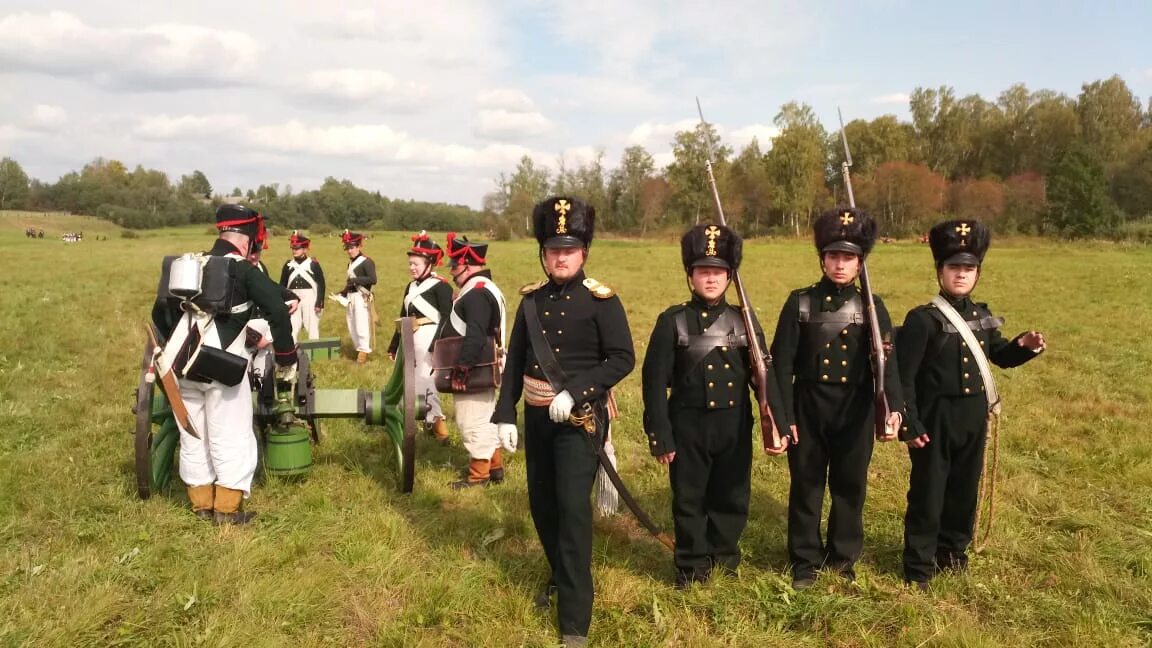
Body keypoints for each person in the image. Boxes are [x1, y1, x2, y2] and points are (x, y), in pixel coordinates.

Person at [491, 197, 634, 647]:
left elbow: (623, 358)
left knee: (572, 511)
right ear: (543, 253)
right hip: (537, 419)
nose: (560, 256)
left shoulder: (602, 302)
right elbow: (515, 360)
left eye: (569, 249)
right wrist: (503, 412)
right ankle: (560, 573)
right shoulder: (531, 301)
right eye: (553, 249)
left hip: (580, 421)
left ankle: (574, 617)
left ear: (583, 252)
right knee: (542, 504)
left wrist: (577, 389)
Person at [897, 220, 1046, 590]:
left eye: (968, 268)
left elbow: (1000, 356)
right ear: (940, 271)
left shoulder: (981, 315)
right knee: (929, 492)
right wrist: (909, 423)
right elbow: (904, 378)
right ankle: (918, 565)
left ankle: (952, 554)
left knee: (964, 490)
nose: (961, 275)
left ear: (977, 273)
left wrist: (1023, 348)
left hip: (972, 418)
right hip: (935, 419)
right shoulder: (922, 319)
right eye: (954, 267)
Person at [641, 223, 787, 588]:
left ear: (729, 277)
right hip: (687, 425)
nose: (710, 279)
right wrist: (660, 432)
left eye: (718, 272)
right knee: (689, 497)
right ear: (690, 276)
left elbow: (766, 377)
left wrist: (779, 422)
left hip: (734, 425)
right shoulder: (671, 321)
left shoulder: (745, 321)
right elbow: (654, 382)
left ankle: (724, 556)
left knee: (732, 494)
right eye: (703, 271)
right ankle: (690, 564)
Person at [770, 207, 905, 589]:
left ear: (860, 262)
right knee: (807, 484)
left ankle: (843, 558)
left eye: (848, 257)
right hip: (808, 406)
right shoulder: (799, 302)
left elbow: (887, 364)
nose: (840, 264)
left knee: (850, 486)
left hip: (855, 408)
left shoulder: (872, 306)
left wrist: (894, 407)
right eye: (833, 256)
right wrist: (783, 417)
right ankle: (804, 560)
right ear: (822, 259)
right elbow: (781, 366)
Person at [150, 204, 298, 524]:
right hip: (222, 365)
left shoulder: (191, 263)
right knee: (230, 434)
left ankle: (201, 504)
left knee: (193, 434)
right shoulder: (243, 269)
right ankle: (227, 511)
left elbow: (159, 312)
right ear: (247, 240)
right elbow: (276, 308)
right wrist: (286, 356)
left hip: (180, 364)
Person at [436, 232, 507, 488]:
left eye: (455, 265)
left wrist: (462, 367)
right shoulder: (480, 289)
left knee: (471, 420)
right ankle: (495, 467)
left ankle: (479, 476)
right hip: (483, 365)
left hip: (475, 367)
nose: (453, 271)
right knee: (485, 417)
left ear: (467, 264)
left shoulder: (477, 293)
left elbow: (476, 336)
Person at [387, 231, 453, 443]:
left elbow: (447, 317)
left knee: (427, 381)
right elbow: (403, 315)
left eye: (416, 263)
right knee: (410, 382)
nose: (412, 267)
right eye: (410, 263)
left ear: (429, 263)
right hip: (409, 337)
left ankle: (437, 422)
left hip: (429, 338)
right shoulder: (410, 287)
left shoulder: (441, 286)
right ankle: (420, 419)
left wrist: (437, 344)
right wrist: (394, 343)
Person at [279, 230, 325, 342]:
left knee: (312, 326)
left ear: (304, 249)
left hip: (309, 297)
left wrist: (319, 301)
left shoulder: (313, 264)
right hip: (292, 297)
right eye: (293, 248)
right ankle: (292, 351)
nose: (294, 250)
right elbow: (282, 285)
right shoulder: (288, 265)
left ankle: (314, 352)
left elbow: (321, 283)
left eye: (297, 248)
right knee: (292, 326)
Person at [339, 230, 377, 364]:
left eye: (352, 247)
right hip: (351, 296)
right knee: (351, 324)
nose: (350, 250)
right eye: (348, 248)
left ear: (359, 246)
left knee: (361, 324)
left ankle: (363, 351)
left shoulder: (367, 262)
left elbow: (373, 279)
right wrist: (343, 292)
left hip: (361, 296)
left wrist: (357, 280)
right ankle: (358, 348)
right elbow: (349, 281)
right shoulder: (350, 264)